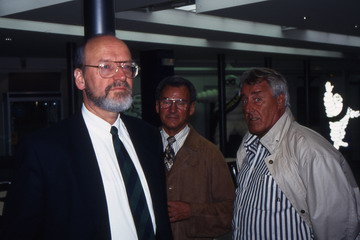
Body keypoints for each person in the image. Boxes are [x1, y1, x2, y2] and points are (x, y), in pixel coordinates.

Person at [2, 35, 172, 240]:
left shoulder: (149, 136)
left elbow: (159, 214)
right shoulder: (43, 149)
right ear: (80, 79)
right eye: (106, 67)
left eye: (127, 66)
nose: (121, 76)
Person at [232, 67, 360, 240]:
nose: (248, 108)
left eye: (257, 99)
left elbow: (339, 227)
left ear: (280, 100)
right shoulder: (248, 146)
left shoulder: (311, 151)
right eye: (245, 100)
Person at [155, 75, 235, 240]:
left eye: (181, 103)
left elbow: (230, 212)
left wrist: (192, 211)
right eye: (166, 102)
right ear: (157, 106)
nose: (172, 109)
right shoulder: (141, 148)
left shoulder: (211, 154)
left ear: (191, 108)